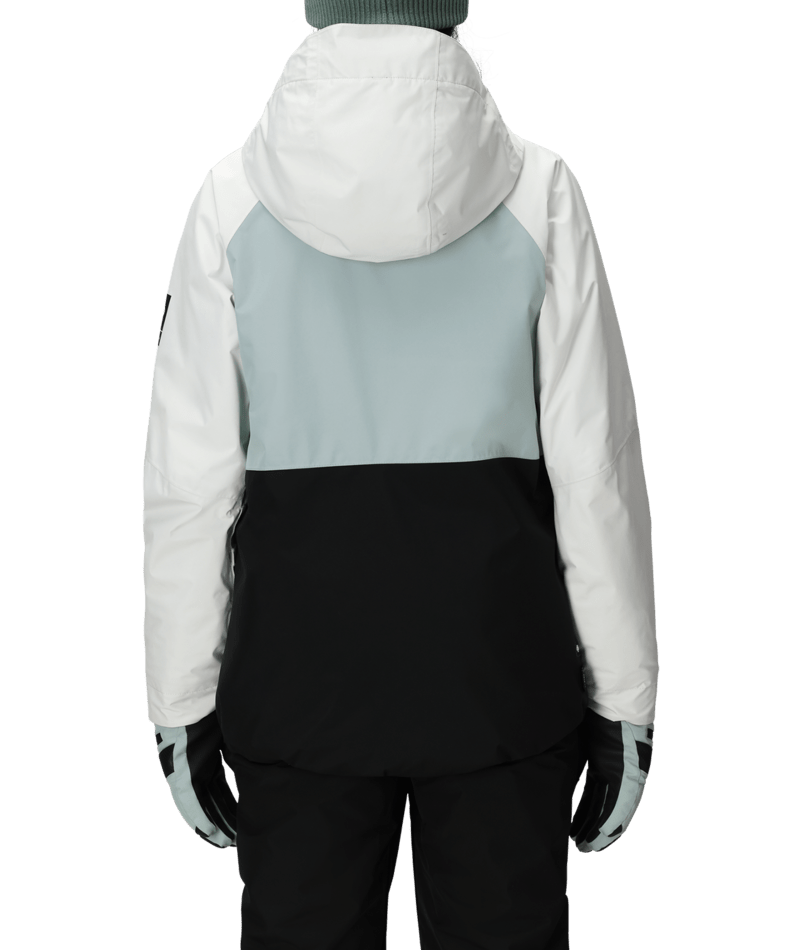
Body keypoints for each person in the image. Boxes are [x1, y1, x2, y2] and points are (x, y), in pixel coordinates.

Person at [143, 2, 659, 947]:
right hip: (502, 681)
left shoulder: (230, 197)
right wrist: (626, 700)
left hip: (296, 685)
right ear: (453, 8)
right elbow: (597, 468)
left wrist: (179, 702)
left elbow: (189, 480)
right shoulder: (541, 191)